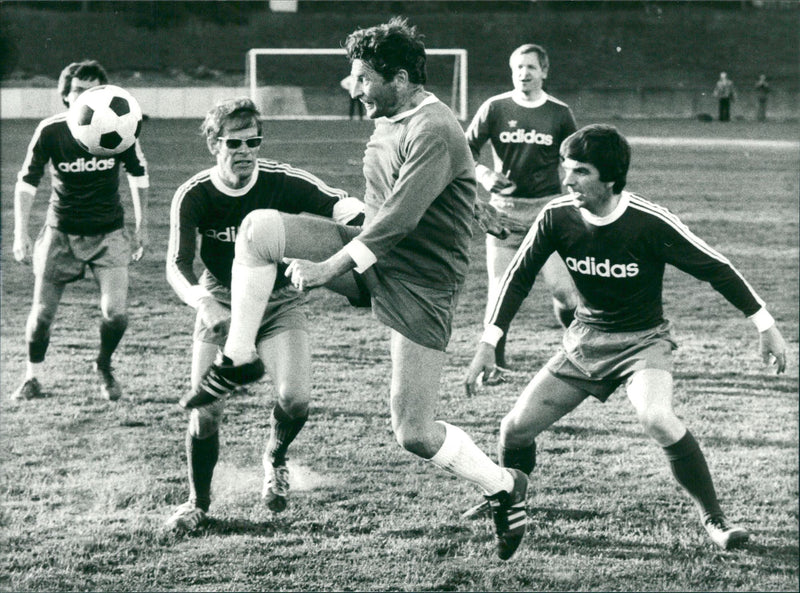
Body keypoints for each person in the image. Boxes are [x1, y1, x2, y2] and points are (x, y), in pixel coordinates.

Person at [179, 18, 529, 561]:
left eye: (362, 77)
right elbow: (390, 207)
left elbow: (396, 222)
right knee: (260, 229)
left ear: (402, 77)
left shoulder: (434, 128)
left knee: (412, 432)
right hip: (371, 256)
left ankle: (504, 488)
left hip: (419, 284)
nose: (353, 86)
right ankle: (239, 357)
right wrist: (470, 201)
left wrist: (325, 270)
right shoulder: (394, 115)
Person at [463, 124, 788, 550]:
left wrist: (767, 326)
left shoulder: (648, 222)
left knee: (656, 417)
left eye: (580, 172)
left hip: (643, 342)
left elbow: (716, 267)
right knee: (513, 430)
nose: (567, 180)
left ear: (611, 177)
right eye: (566, 168)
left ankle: (715, 520)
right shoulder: (556, 215)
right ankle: (506, 496)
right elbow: (518, 277)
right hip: (585, 341)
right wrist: (489, 342)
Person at [164, 97, 365, 532]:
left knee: (296, 399)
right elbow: (176, 265)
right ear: (213, 143)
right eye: (234, 142)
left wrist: (369, 220)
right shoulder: (194, 193)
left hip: (279, 302)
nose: (246, 151)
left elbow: (339, 203)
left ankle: (274, 458)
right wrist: (204, 302)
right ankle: (197, 501)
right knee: (205, 413)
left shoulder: (282, 180)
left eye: (253, 140)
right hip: (220, 299)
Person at [11, 59, 149, 402]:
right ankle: (32, 377)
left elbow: (138, 174)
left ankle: (103, 365)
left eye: (93, 91)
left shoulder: (122, 127)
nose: (87, 98)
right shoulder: (50, 131)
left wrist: (142, 224)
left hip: (109, 233)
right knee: (41, 316)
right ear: (66, 97)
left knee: (116, 313)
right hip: (61, 232)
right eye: (78, 92)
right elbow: (27, 182)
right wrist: (20, 231)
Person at [466, 44, 578, 380]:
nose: (523, 74)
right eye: (517, 67)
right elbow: (464, 149)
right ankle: (495, 364)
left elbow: (575, 158)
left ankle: (578, 349)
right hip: (504, 216)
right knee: (499, 291)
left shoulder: (559, 113)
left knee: (563, 290)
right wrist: (484, 174)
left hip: (547, 215)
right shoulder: (495, 107)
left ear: (544, 71)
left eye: (530, 67)